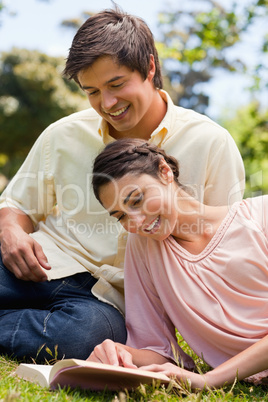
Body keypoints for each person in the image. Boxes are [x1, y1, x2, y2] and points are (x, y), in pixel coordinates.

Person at [0, 6, 245, 362]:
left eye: (116, 85)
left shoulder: (210, 142)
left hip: (105, 302)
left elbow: (224, 242)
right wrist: (12, 233)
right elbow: (17, 205)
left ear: (148, 67)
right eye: (93, 92)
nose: (107, 103)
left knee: (85, 337)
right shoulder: (64, 134)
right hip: (42, 265)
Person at [88, 138, 268, 390]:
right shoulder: (143, 247)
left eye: (137, 200)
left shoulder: (261, 215)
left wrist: (210, 379)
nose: (137, 222)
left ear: (165, 172)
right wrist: (118, 353)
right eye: (121, 216)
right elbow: (156, 350)